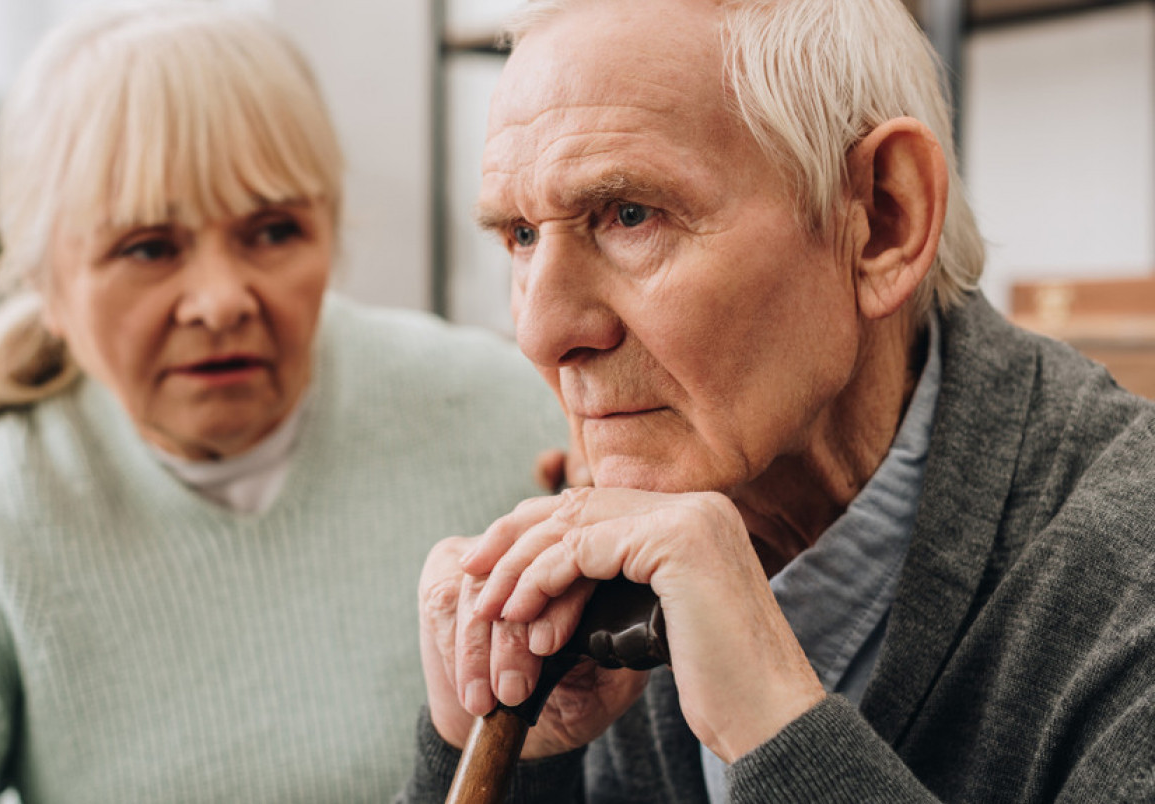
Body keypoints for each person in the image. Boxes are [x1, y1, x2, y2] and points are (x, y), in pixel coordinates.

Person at [0, 4, 567, 802]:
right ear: (46, 284)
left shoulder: (504, 414)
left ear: (330, 232)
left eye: (272, 231)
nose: (219, 301)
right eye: (148, 248)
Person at [399, 0, 1155, 801]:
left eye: (630, 215)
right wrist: (506, 757)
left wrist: (776, 727)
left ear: (882, 222)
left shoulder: (1125, 577)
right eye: (520, 235)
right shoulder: (605, 559)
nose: (542, 330)